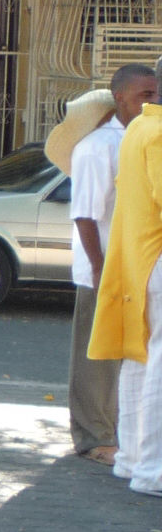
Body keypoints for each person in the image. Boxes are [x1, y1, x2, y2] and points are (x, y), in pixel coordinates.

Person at [62, 68, 157, 465]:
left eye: (156, 92)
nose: (151, 100)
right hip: (102, 267)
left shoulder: (144, 135)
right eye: (144, 94)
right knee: (96, 356)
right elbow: (85, 214)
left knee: (131, 352)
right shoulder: (97, 146)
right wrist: (100, 268)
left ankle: (120, 433)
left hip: (135, 267)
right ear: (119, 97)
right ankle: (91, 436)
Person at [87, 55, 162, 498]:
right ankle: (151, 469)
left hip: (140, 261)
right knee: (155, 362)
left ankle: (134, 460)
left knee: (140, 359)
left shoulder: (140, 129)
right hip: (154, 258)